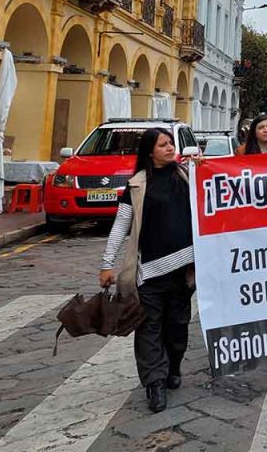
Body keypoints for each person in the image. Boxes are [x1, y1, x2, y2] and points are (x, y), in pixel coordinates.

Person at [99, 128, 195, 413]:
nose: (170, 148)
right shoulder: (136, 186)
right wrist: (107, 264)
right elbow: (121, 226)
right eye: (163, 145)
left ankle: (173, 365)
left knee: (177, 327)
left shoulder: (187, 175)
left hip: (185, 271)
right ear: (150, 151)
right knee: (149, 328)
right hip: (150, 273)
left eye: (171, 144)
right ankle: (154, 383)